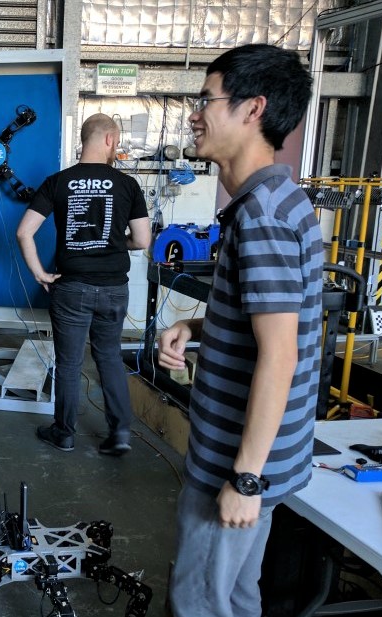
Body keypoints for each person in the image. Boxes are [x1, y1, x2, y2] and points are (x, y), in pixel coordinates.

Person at [157, 44, 322, 617]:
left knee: (201, 602)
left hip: (238, 461)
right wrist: (197, 326)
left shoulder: (263, 218)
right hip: (256, 457)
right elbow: (271, 324)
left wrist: (245, 479)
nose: (195, 113)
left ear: (254, 109)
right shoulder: (277, 200)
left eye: (207, 99)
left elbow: (280, 357)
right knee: (236, 595)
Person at [16, 113, 151, 456]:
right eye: (117, 141)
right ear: (108, 139)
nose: (116, 147)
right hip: (114, 289)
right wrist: (116, 243)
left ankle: (64, 433)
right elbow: (143, 240)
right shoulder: (127, 185)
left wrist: (40, 274)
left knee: (70, 363)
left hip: (71, 287)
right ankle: (119, 433)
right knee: (108, 357)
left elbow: (24, 232)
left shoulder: (57, 182)